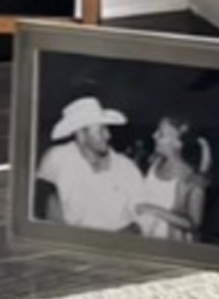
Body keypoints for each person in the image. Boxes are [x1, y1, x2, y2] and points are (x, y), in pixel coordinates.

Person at [36, 96, 144, 232]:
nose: (108, 135)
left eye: (107, 128)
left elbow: (141, 221)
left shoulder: (126, 168)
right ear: (81, 135)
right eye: (101, 130)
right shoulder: (57, 158)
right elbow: (44, 197)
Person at [134, 115, 211, 241]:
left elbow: (194, 224)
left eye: (161, 134)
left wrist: (155, 211)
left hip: (171, 247)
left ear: (177, 143)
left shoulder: (192, 179)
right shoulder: (154, 163)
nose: (154, 135)